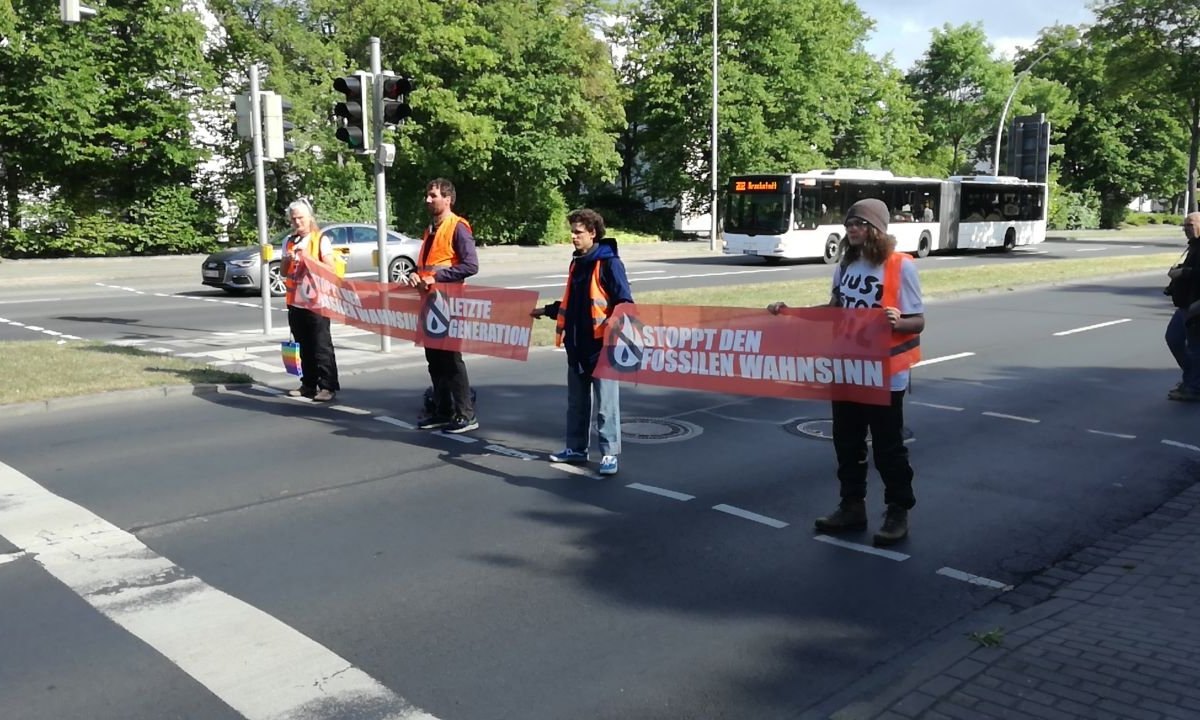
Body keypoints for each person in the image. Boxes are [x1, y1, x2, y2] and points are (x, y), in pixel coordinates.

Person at [767, 198, 924, 546]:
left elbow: (920, 321)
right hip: (848, 367)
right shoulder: (846, 266)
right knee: (847, 442)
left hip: (884, 373)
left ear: (877, 230)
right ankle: (852, 505)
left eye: (860, 224)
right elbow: (834, 310)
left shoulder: (900, 267)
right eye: (849, 224)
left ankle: (898, 510)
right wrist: (789, 311)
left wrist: (900, 321)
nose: (852, 229)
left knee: (888, 446)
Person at [531, 209, 634, 476]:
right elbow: (573, 304)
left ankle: (609, 453)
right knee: (576, 403)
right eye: (572, 231)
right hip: (576, 345)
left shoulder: (610, 263)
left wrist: (615, 322)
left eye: (578, 232)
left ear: (592, 233)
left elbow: (624, 300)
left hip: (601, 346)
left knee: (606, 405)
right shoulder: (577, 263)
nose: (573, 237)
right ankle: (576, 449)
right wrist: (546, 311)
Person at [409, 178, 480, 433]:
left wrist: (435, 277)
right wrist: (416, 276)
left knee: (451, 359)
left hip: (449, 301)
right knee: (435, 360)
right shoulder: (430, 230)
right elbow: (427, 266)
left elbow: (470, 265)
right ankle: (442, 410)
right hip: (430, 301)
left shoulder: (457, 227)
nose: (428, 199)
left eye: (433, 195)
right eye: (428, 195)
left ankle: (465, 414)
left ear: (447, 199)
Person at [282, 199, 340, 402]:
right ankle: (308, 384)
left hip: (317, 301)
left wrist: (309, 259)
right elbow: (283, 272)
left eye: (301, 218)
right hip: (296, 302)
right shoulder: (289, 241)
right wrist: (288, 259)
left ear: (310, 218)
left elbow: (331, 269)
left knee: (321, 344)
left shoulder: (320, 239)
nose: (298, 222)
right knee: (303, 345)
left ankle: (327, 386)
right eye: (294, 218)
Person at [1165, 212, 1200, 402]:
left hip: (1196, 306)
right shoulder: (1193, 246)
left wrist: (1183, 272)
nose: (1186, 229)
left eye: (1190, 225)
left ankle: (1194, 387)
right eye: (1184, 226)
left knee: (1195, 348)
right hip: (1185, 304)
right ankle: (1191, 379)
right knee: (1174, 339)